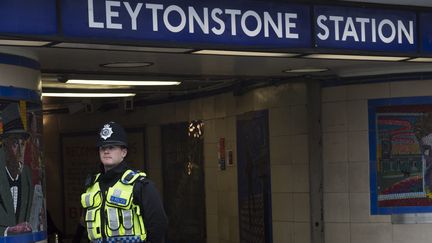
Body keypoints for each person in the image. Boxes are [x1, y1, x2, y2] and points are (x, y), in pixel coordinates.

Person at [80, 121, 168, 243]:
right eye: (103, 148)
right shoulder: (91, 186)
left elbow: (158, 225)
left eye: (112, 147)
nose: (106, 151)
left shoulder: (139, 184)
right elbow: (84, 228)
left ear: (124, 152)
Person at [0, 102, 33, 236]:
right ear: (5, 146)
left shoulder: (26, 175)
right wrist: (8, 231)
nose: (20, 151)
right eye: (15, 144)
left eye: (22, 144)